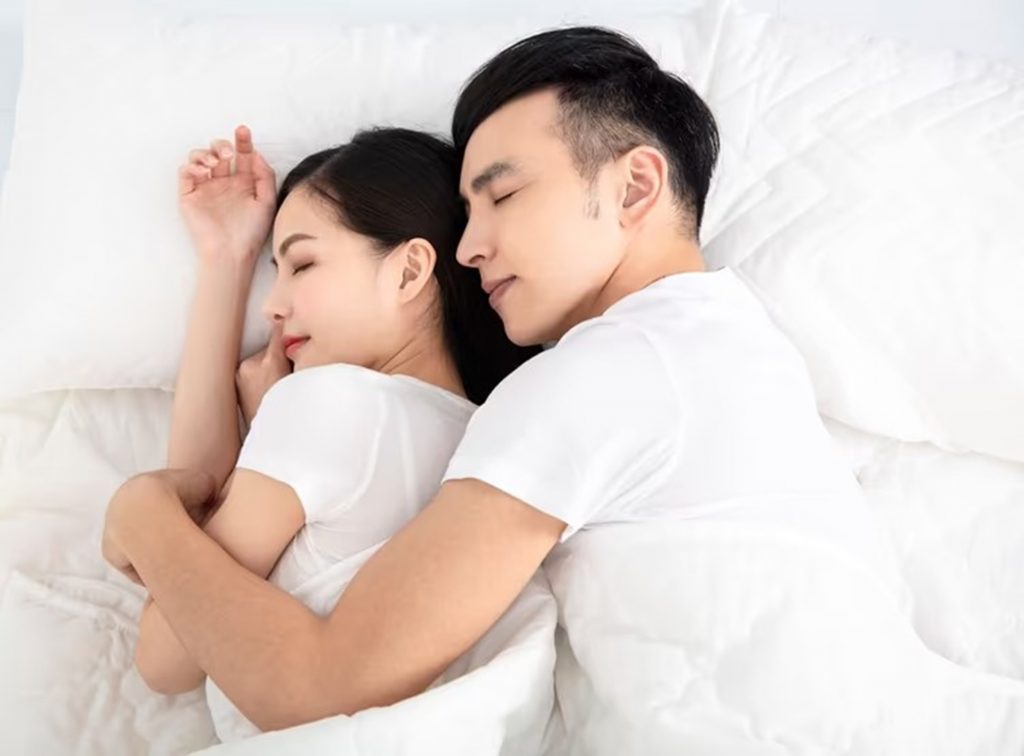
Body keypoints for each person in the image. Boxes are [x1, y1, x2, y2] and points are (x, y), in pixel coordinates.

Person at [102, 26, 892, 741]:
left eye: (504, 195)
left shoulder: (598, 375)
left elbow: (317, 685)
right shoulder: (742, 342)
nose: (469, 247)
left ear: (635, 187)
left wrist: (141, 510)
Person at [127, 124, 538, 741]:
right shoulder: (491, 433)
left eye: (302, 264)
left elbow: (166, 657)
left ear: (408, 271)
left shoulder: (327, 402)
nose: (272, 305)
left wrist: (138, 511)